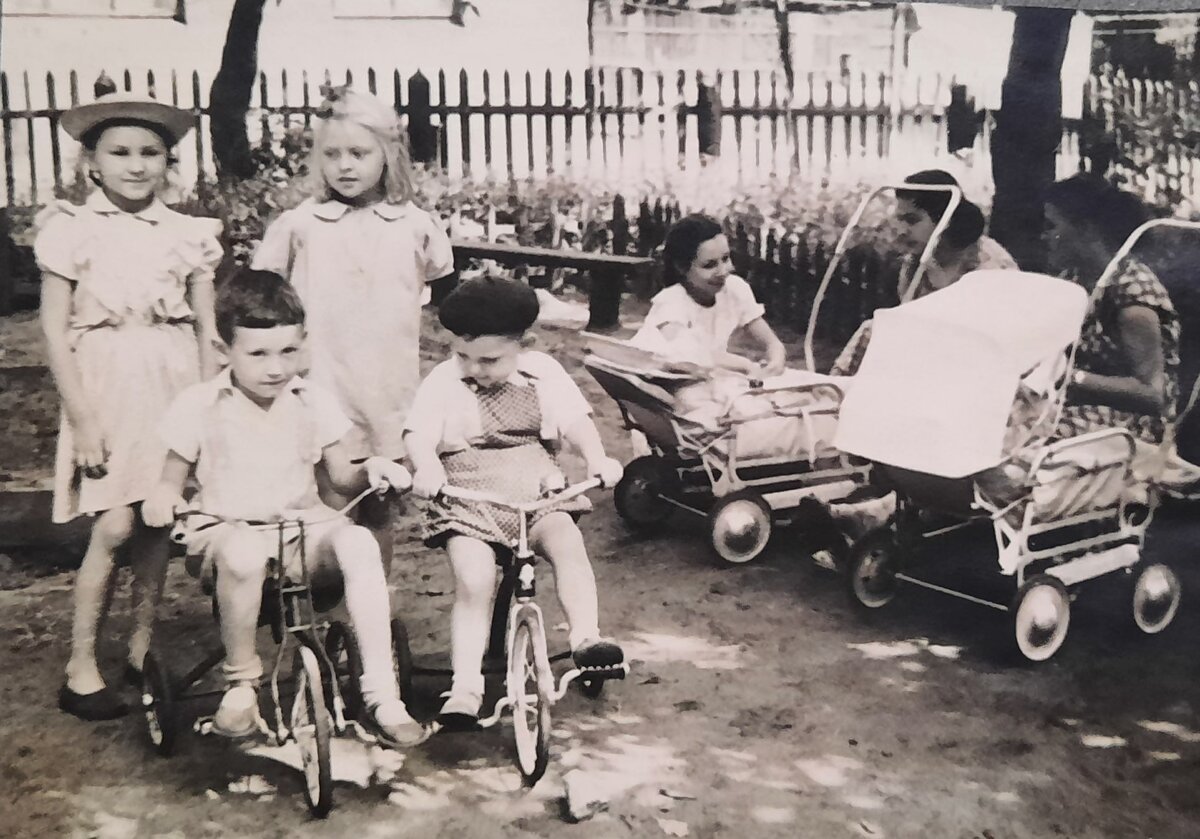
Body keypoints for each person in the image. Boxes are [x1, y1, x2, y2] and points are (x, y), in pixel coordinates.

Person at [142, 270, 426, 747]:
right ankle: (241, 685)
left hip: (302, 530)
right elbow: (170, 480)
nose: (275, 368)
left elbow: (342, 476)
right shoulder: (200, 404)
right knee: (244, 552)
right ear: (222, 350)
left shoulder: (312, 400)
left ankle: (381, 693)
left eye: (288, 351)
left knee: (358, 541)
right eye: (258, 354)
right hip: (227, 532)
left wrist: (374, 468)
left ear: (303, 344)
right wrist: (163, 497)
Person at [37, 91, 221, 720]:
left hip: (173, 377)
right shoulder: (71, 230)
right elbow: (54, 331)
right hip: (107, 382)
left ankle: (142, 650)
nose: (137, 165)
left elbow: (206, 329)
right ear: (92, 161)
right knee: (115, 523)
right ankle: (80, 665)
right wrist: (83, 419)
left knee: (157, 518)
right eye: (120, 153)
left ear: (168, 162)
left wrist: (207, 408)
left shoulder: (189, 235)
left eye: (151, 152)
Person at [404, 276, 625, 729]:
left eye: (489, 360)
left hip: (533, 485)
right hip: (469, 493)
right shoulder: (445, 380)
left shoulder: (544, 373)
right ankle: (465, 688)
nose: (475, 369)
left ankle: (586, 639)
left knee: (566, 543)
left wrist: (597, 457)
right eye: (463, 356)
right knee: (474, 578)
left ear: (524, 346)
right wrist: (426, 466)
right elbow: (417, 433)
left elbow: (576, 421)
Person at [251, 84, 455, 570]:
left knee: (379, 499)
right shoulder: (302, 225)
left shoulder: (413, 225)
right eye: (332, 154)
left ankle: (374, 598)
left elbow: (446, 292)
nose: (345, 166)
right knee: (330, 497)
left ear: (387, 154)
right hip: (322, 380)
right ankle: (328, 592)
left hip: (386, 387)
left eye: (359, 154)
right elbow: (260, 295)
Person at [830, 169, 1017, 376]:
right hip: (932, 350)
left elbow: (995, 332)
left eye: (912, 220)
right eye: (899, 220)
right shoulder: (915, 264)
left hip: (978, 358)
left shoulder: (990, 264)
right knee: (873, 330)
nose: (902, 230)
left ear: (946, 220)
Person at [1043, 174, 1180, 444]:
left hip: (1129, 422)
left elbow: (1153, 394)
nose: (1043, 236)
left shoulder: (1133, 294)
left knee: (1027, 438)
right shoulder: (1073, 279)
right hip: (1074, 405)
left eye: (1051, 226)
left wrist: (1072, 378)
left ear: (1086, 230)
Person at [632, 213, 786, 376]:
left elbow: (772, 342)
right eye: (709, 265)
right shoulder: (671, 302)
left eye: (725, 259)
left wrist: (775, 360)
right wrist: (746, 365)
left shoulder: (734, 289)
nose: (723, 271)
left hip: (701, 376)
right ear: (681, 267)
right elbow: (690, 354)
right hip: (649, 376)